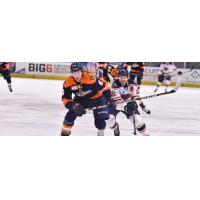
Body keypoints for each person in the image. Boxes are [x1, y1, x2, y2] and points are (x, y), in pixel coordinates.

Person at [61, 62, 113, 136]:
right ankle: (64, 133)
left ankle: (101, 132)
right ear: (71, 73)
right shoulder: (68, 82)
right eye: (74, 73)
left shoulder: (90, 77)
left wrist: (109, 98)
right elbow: (65, 98)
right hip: (81, 99)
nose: (77, 75)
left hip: (97, 99)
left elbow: (105, 86)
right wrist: (73, 106)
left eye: (78, 72)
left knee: (100, 124)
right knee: (70, 115)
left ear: (81, 72)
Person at [106, 68, 151, 136]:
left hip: (128, 103)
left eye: (125, 77)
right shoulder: (115, 85)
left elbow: (136, 96)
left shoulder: (132, 84)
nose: (123, 79)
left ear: (128, 77)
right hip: (115, 104)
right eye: (121, 77)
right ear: (118, 77)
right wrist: (126, 105)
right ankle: (115, 127)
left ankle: (146, 135)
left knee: (138, 121)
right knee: (109, 121)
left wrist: (142, 105)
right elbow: (118, 101)